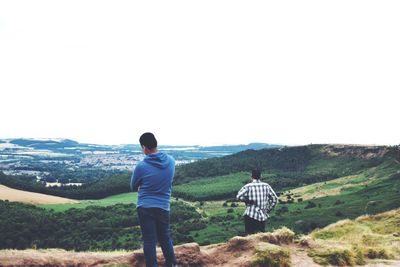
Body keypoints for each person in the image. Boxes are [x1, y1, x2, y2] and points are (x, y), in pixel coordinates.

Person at [130, 132, 177, 267]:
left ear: (144, 147)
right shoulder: (171, 161)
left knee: (150, 240)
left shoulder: (141, 166)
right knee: (165, 238)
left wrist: (142, 186)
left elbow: (133, 186)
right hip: (163, 205)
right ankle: (172, 264)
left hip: (145, 206)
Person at [236, 169, 278, 235]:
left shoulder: (247, 186)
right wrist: (268, 209)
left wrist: (247, 201)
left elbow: (238, 196)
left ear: (251, 176)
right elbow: (275, 199)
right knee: (261, 238)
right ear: (261, 176)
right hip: (262, 215)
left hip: (250, 214)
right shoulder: (266, 186)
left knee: (249, 238)